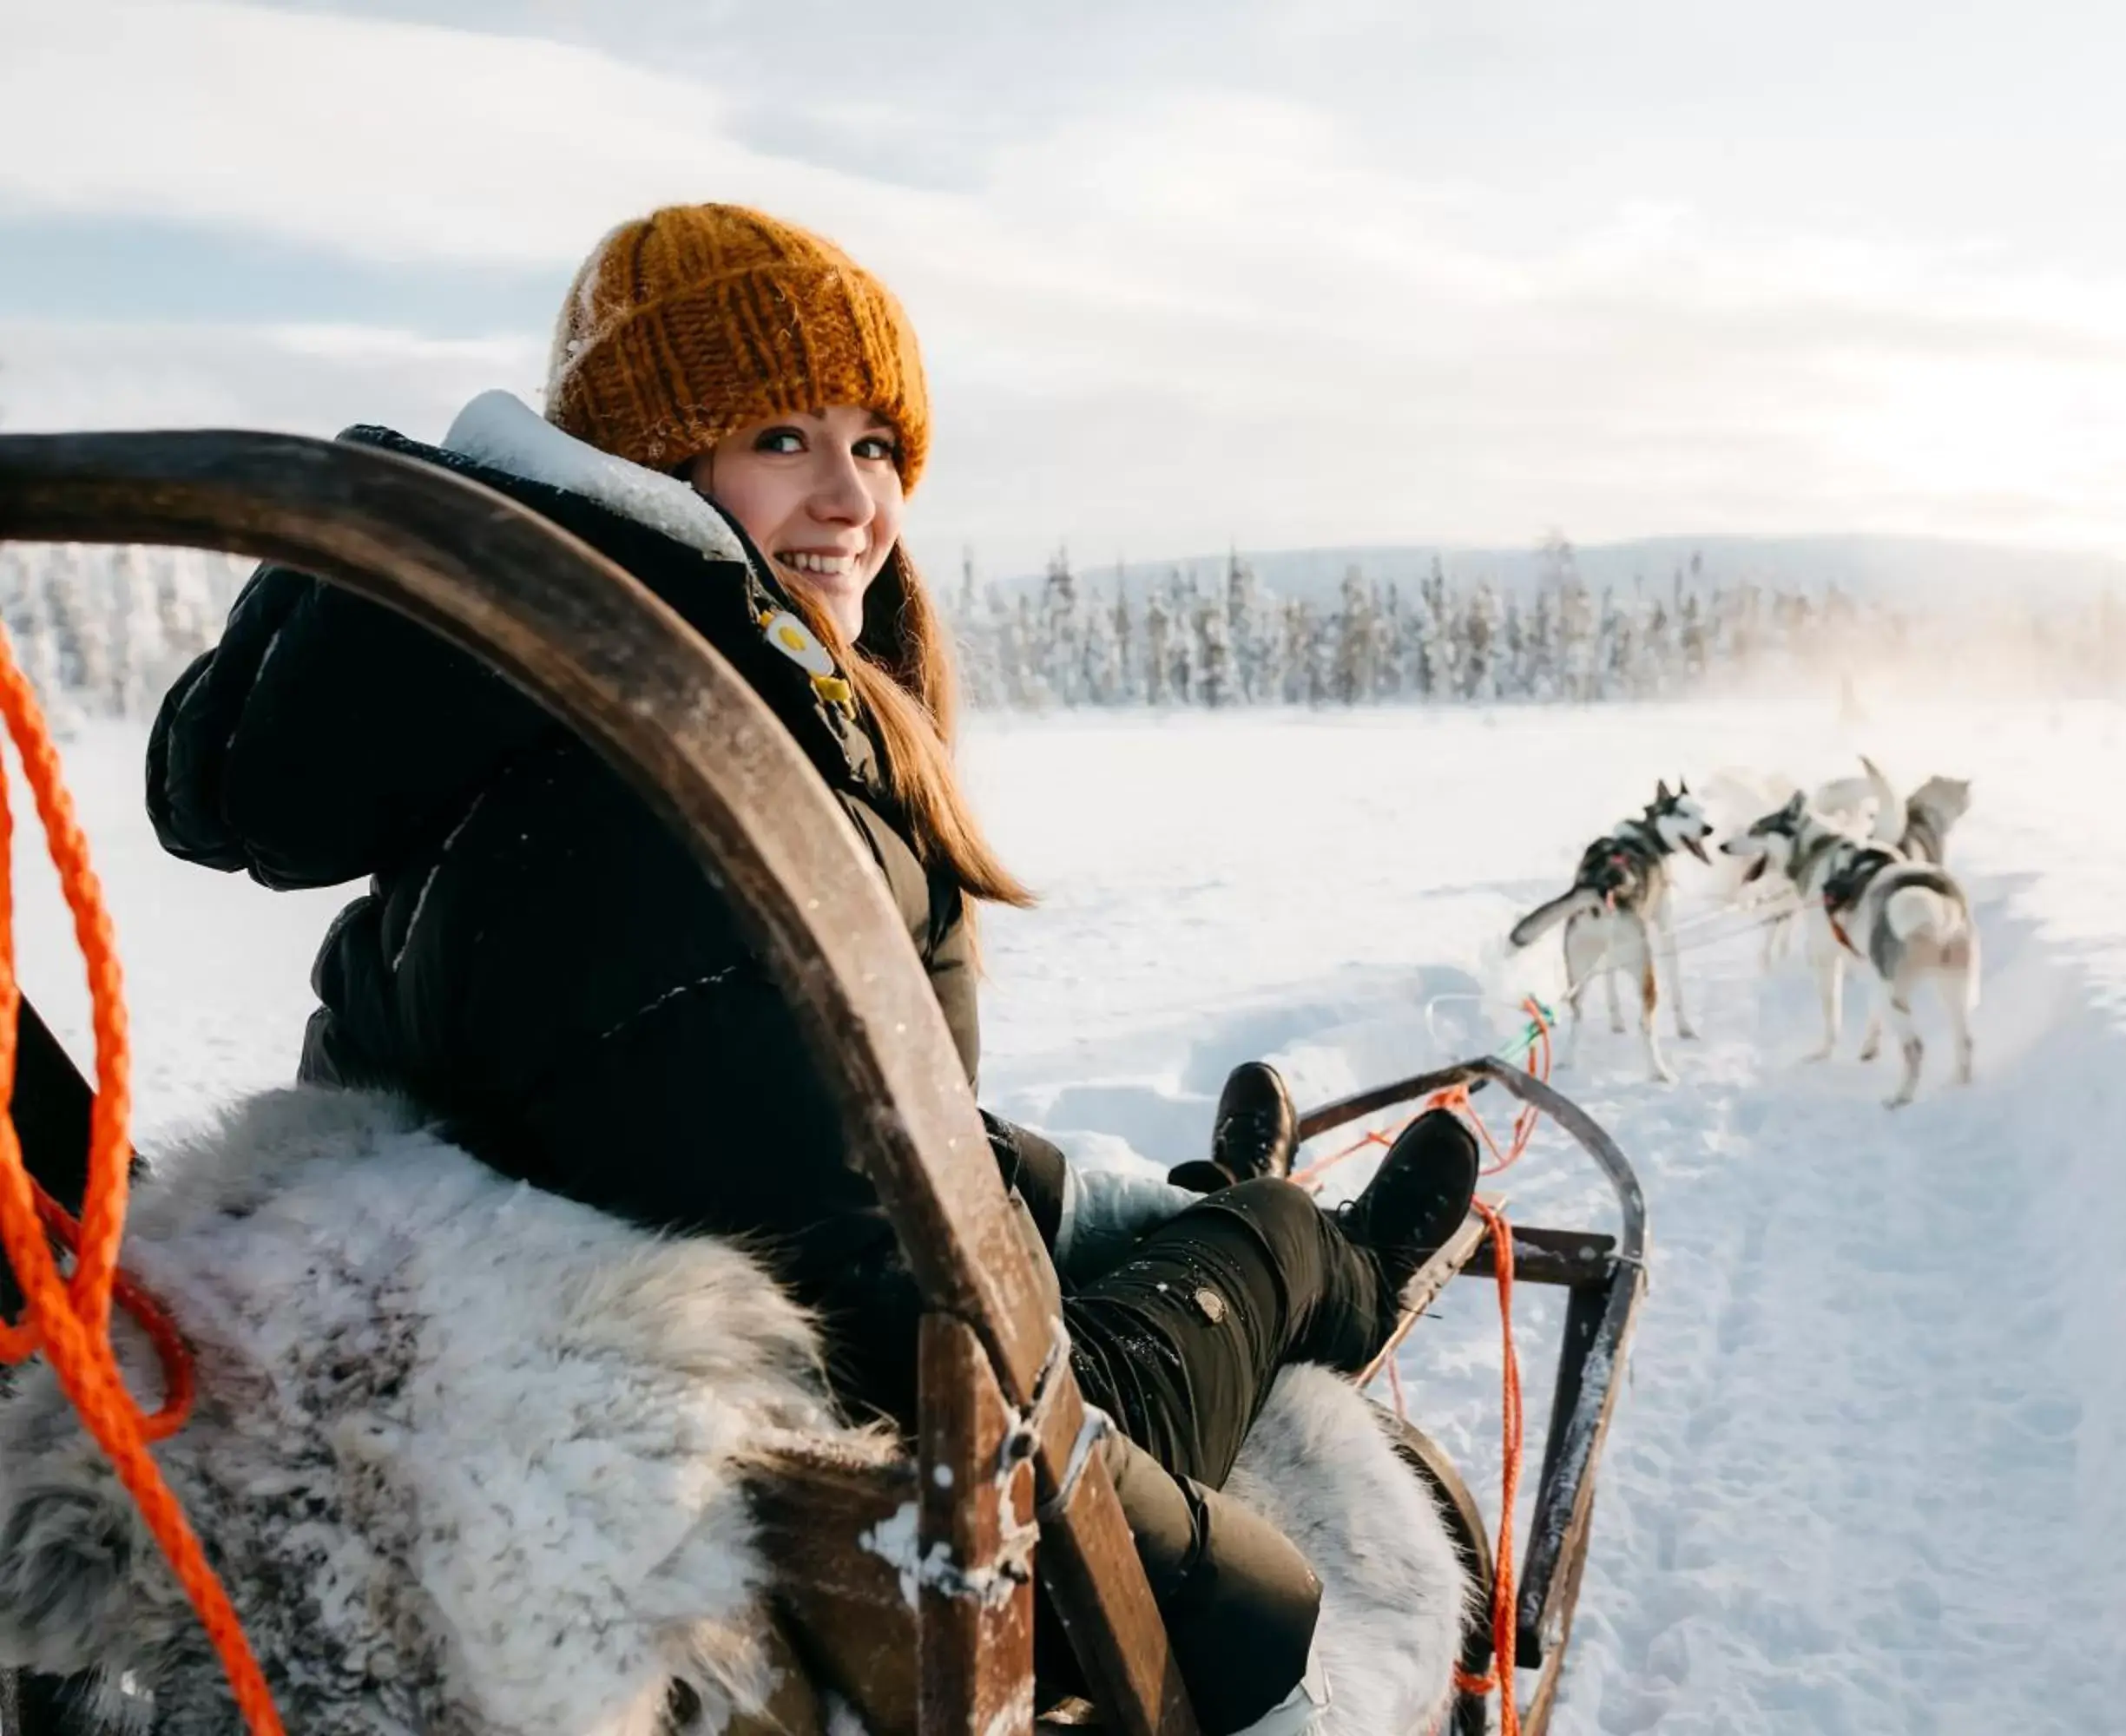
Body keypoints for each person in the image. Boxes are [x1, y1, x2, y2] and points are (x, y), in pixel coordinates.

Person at [144, 202, 1478, 1733]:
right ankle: (1322, 1267)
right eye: (783, 435)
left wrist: (1066, 1208)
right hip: (869, 1470)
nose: (853, 499)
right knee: (1281, 1254)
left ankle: (1227, 1222)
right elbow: (925, 1359)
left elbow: (757, 1108)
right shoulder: (694, 790)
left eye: (878, 445)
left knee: (1123, 1203)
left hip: (632, 1296)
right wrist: (1246, 1266)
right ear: (658, 461)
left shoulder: (538, 710)